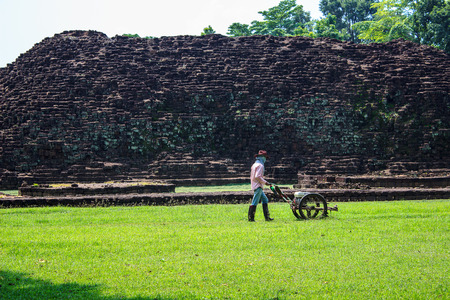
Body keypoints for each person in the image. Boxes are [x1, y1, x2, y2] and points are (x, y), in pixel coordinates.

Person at [248, 150, 274, 222]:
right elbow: (258, 176)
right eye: (265, 157)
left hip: (255, 184)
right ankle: (251, 218)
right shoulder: (260, 165)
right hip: (258, 186)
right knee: (255, 202)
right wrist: (266, 182)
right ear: (262, 157)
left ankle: (267, 217)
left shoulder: (254, 165)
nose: (265, 159)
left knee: (265, 200)